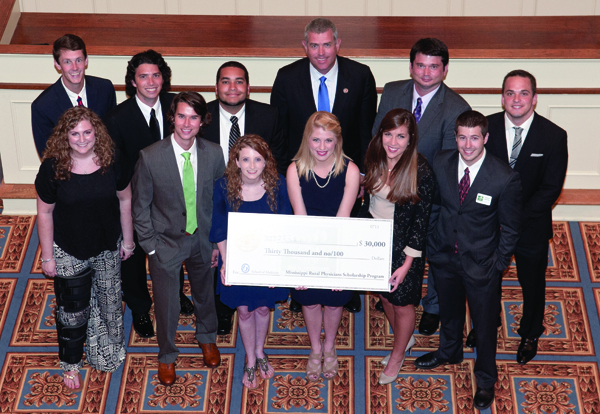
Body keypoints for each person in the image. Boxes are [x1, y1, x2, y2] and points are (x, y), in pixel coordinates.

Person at [414, 110, 522, 410]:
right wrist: (432, 245)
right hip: (444, 256)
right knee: (449, 312)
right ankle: (449, 351)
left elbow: (511, 228)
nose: (468, 144)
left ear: (485, 138)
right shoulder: (441, 161)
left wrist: (498, 265)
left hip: (482, 265)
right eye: (462, 137)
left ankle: (486, 379)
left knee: (484, 326)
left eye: (474, 138)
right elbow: (434, 206)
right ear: (456, 137)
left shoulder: (504, 177)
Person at [271, 17, 376, 313]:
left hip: (346, 174)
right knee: (304, 231)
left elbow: (367, 130)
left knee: (344, 230)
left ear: (337, 44)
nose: (321, 52)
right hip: (302, 173)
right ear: (305, 46)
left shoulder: (360, 75)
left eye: (327, 44)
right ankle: (303, 283)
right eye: (314, 46)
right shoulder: (287, 77)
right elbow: (280, 133)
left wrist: (363, 175)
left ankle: (345, 283)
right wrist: (285, 178)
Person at [371, 37, 471, 332]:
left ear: (445, 70)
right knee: (390, 246)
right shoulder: (391, 91)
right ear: (411, 65)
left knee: (433, 254)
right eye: (420, 65)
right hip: (387, 190)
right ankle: (390, 287)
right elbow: (378, 136)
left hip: (429, 197)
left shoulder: (455, 107)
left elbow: (449, 165)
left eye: (434, 67)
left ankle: (433, 306)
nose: (426, 73)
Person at [35, 106, 133, 390]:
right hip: (68, 248)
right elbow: (44, 213)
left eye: (87, 132)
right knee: (73, 313)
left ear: (97, 132)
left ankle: (107, 353)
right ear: (64, 136)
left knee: (110, 304)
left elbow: (125, 200)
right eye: (74, 133)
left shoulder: (113, 160)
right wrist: (48, 256)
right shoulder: (53, 168)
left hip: (106, 245)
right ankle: (71, 364)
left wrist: (128, 241)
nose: (81, 138)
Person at [132, 91, 225, 386]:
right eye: (181, 115)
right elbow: (140, 206)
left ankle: (207, 338)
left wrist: (216, 242)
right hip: (165, 244)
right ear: (172, 118)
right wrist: (150, 246)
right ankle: (167, 355)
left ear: (202, 121)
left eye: (194, 117)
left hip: (203, 240)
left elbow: (219, 200)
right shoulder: (150, 156)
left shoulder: (214, 153)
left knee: (205, 294)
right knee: (167, 302)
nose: (187, 123)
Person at [104, 50, 193, 339]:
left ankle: (176, 295)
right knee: (134, 255)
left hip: (174, 197)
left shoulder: (176, 106)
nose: (151, 81)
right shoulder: (117, 117)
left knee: (173, 247)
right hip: (135, 199)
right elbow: (115, 166)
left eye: (156, 75)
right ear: (133, 81)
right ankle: (140, 307)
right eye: (144, 76)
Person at [485, 70, 568, 364]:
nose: (516, 99)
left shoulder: (554, 136)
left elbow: (550, 189)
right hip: (489, 222)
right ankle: (487, 324)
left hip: (530, 225)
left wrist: (515, 218)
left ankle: (530, 332)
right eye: (510, 93)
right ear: (503, 97)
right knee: (487, 278)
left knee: (532, 283)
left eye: (522, 93)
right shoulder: (486, 127)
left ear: (534, 98)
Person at [203, 61, 286, 334]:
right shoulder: (202, 117)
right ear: (216, 87)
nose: (232, 87)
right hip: (217, 200)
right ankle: (223, 311)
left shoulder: (270, 116)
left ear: (248, 87)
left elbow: (278, 161)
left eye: (239, 81)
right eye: (225, 81)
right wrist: (216, 242)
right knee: (219, 266)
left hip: (260, 202)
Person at [359, 109, 435, 384]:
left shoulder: (421, 171)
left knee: (402, 303)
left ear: (410, 138)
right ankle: (406, 339)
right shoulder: (375, 156)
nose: (393, 141)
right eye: (388, 134)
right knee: (385, 295)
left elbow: (420, 224)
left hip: (404, 248)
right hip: (375, 238)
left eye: (400, 136)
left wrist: (406, 265)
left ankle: (398, 354)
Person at [210, 134, 291, 389]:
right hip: (237, 262)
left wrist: (277, 267)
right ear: (236, 161)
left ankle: (259, 351)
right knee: (244, 311)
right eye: (246, 159)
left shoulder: (278, 184)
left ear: (266, 161)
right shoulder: (223, 187)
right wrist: (225, 263)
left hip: (268, 262)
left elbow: (285, 227)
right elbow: (219, 229)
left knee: (264, 308)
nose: (252, 166)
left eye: (258, 159)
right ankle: (249, 356)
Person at [286, 111, 360, 381]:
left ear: (337, 141)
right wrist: (306, 265)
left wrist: (335, 267)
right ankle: (315, 349)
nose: (321, 147)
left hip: (338, 244)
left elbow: (343, 219)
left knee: (333, 300)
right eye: (316, 140)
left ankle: (330, 347)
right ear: (307, 139)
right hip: (306, 243)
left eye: (328, 141)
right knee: (309, 299)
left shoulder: (350, 170)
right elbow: (300, 218)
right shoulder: (294, 169)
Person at [32, 34, 116, 158]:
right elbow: (48, 155)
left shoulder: (105, 89)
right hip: (67, 172)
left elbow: (112, 136)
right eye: (67, 62)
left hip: (104, 165)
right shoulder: (42, 106)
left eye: (78, 60)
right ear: (57, 64)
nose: (75, 68)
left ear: (86, 60)